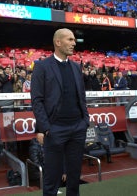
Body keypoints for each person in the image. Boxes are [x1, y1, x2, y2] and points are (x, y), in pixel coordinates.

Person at [31, 28, 89, 196]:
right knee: (51, 179)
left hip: (78, 128)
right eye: (70, 40)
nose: (74, 43)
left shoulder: (76, 67)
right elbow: (37, 100)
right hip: (55, 129)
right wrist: (46, 128)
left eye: (74, 40)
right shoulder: (42, 67)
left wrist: (85, 120)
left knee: (74, 177)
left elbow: (82, 96)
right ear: (58, 42)